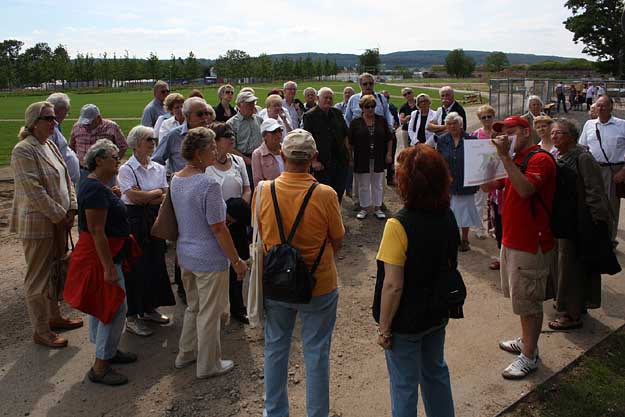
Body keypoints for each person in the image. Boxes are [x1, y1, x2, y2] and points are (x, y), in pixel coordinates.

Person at [253, 129, 345, 417]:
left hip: (277, 281)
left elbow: (261, 231)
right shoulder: (325, 194)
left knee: (276, 348)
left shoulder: (264, 190)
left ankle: (274, 411)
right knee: (316, 353)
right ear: (313, 158)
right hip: (318, 282)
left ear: (283, 155)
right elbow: (337, 239)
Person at [375, 144, 456, 417]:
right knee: (436, 373)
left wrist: (384, 328)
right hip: (436, 310)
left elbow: (393, 285)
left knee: (404, 385)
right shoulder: (447, 215)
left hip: (406, 320)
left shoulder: (398, 225)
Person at [482, 116, 556, 380]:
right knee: (520, 298)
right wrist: (484, 163)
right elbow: (488, 187)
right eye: (504, 133)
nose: (507, 137)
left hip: (530, 242)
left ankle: (530, 355)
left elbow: (525, 190)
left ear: (526, 132)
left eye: (512, 132)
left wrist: (504, 158)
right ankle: (526, 340)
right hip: (512, 239)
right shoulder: (516, 159)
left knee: (530, 302)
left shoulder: (540, 159)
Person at [170, 127, 247, 378]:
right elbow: (218, 227)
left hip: (186, 255)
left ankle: (186, 353)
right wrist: (236, 261)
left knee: (194, 307)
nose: (216, 151)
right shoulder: (208, 183)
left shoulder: (177, 178)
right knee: (210, 313)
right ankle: (208, 364)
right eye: (212, 147)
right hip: (209, 258)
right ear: (200, 153)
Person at [10, 101, 82, 349]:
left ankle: (55, 317)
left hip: (60, 221)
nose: (54, 122)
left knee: (57, 272)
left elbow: (67, 179)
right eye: (48, 118)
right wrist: (60, 215)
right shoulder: (23, 150)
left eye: (54, 118)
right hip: (40, 225)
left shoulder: (50, 144)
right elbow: (34, 191)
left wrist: (72, 207)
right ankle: (41, 330)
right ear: (33, 122)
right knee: (38, 278)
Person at [75, 139, 139, 385]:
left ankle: (108, 351)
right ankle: (100, 366)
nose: (118, 159)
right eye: (113, 156)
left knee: (104, 306)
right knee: (114, 307)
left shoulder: (96, 185)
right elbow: (97, 231)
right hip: (103, 257)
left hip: (109, 254)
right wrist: (108, 268)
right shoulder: (94, 189)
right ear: (99, 160)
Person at [550, 118, 611, 330]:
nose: (554, 136)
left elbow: (595, 191)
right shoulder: (558, 156)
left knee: (572, 268)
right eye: (553, 133)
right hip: (562, 222)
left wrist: (598, 222)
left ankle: (571, 314)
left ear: (571, 136)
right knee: (563, 266)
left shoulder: (582, 157)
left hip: (579, 223)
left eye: (559, 133)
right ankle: (573, 304)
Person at [117, 125, 175, 337]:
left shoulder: (158, 168)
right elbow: (132, 197)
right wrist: (154, 193)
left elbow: (164, 196)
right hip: (134, 222)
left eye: (154, 139)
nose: (153, 142)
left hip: (154, 219)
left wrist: (147, 194)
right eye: (148, 139)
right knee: (135, 267)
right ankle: (132, 315)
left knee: (155, 263)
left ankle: (150, 307)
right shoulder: (126, 169)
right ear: (137, 143)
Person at [206, 122, 252, 325]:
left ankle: (237, 306)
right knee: (218, 270)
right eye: (226, 135)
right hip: (216, 226)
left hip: (237, 222)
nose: (231, 138)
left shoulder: (237, 161)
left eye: (232, 134)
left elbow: (247, 189)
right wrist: (222, 218)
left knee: (238, 265)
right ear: (215, 141)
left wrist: (237, 212)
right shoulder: (206, 167)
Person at [344, 73, 394, 209]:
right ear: (360, 85)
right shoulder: (353, 99)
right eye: (365, 84)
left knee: (378, 175)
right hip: (359, 140)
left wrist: (389, 129)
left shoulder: (381, 98)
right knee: (360, 175)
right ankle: (358, 201)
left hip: (378, 139)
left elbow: (387, 114)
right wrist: (351, 136)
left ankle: (379, 202)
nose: (368, 86)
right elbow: (347, 118)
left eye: (370, 83)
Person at [579, 94, 625, 242]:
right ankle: (596, 235)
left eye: (604, 105)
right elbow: (583, 147)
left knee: (611, 206)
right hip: (593, 169)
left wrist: (623, 171)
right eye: (598, 105)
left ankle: (609, 239)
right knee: (592, 202)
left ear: (611, 107)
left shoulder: (621, 125)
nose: (601, 108)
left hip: (614, 170)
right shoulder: (589, 124)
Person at [437, 112, 480, 252]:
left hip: (465, 180)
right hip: (448, 181)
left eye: (455, 123)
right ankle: (452, 237)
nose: (452, 126)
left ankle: (465, 238)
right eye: (449, 124)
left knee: (465, 211)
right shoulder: (442, 140)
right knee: (449, 210)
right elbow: (439, 160)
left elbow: (477, 161)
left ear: (460, 124)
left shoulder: (471, 140)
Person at [303, 87, 350, 202]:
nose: (328, 100)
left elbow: (345, 135)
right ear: (318, 98)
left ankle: (334, 216)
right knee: (322, 195)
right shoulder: (309, 116)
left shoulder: (337, 114)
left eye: (330, 98)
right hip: (322, 164)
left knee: (338, 192)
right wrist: (313, 161)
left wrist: (349, 155)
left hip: (340, 161)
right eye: (326, 98)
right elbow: (308, 140)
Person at [152, 97, 213, 174]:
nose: (205, 118)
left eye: (206, 113)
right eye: (200, 114)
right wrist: (166, 178)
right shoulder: (174, 135)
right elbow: (156, 160)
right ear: (187, 116)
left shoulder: (212, 134)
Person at [70, 104, 128, 186]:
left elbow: (123, 146)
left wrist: (112, 162)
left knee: (109, 196)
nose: (86, 125)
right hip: (84, 172)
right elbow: (71, 147)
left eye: (89, 122)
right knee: (82, 196)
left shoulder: (111, 127)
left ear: (98, 119)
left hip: (105, 172)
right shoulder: (77, 127)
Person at [472, 105, 499, 260]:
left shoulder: (499, 132)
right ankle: (479, 227)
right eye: (484, 117)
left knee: (495, 201)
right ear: (480, 119)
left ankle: (494, 227)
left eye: (489, 116)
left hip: (497, 171)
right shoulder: (476, 134)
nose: (487, 120)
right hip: (482, 171)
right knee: (480, 201)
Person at [226, 91, 264, 187]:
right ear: (239, 105)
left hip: (260, 158)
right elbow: (230, 148)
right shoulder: (231, 124)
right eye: (249, 103)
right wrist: (248, 161)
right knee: (250, 187)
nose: (252, 106)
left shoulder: (259, 120)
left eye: (253, 103)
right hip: (242, 161)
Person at [47, 92, 80, 184]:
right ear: (60, 110)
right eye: (66, 112)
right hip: (60, 181)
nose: (65, 116)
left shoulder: (55, 127)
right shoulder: (49, 129)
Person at [252, 119, 284, 184]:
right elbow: (258, 183)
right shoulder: (257, 154)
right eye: (274, 132)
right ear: (264, 136)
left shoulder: (287, 150)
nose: (278, 134)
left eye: (280, 131)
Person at [382, 90, 400, 186]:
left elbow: (397, 122)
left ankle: (390, 178)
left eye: (387, 97)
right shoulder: (376, 107)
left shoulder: (392, 107)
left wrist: (392, 130)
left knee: (390, 157)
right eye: (384, 97)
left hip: (390, 135)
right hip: (380, 136)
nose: (386, 99)